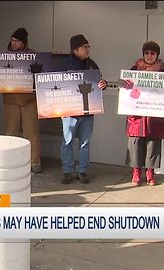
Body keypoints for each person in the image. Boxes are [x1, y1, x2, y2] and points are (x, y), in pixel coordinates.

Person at [0, 28, 43, 174]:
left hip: (29, 100)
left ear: (24, 42)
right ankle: (12, 161)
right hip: (10, 100)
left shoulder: (33, 56)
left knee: (31, 132)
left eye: (17, 41)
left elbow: (42, 76)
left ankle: (34, 162)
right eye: (12, 40)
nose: (14, 43)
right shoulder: (3, 57)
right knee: (11, 132)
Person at [54, 34, 108, 184]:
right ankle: (67, 171)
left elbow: (99, 82)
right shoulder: (64, 65)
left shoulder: (92, 64)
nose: (88, 49)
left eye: (88, 46)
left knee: (85, 142)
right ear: (75, 49)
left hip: (88, 112)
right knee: (68, 141)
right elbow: (52, 84)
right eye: (85, 46)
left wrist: (103, 84)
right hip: (69, 113)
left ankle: (82, 171)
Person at [124, 41, 164, 186]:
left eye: (152, 53)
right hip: (137, 113)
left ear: (157, 55)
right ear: (143, 54)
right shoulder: (134, 69)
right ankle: (136, 172)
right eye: (147, 53)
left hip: (154, 113)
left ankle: (150, 172)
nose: (149, 56)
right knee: (135, 141)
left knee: (153, 142)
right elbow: (126, 88)